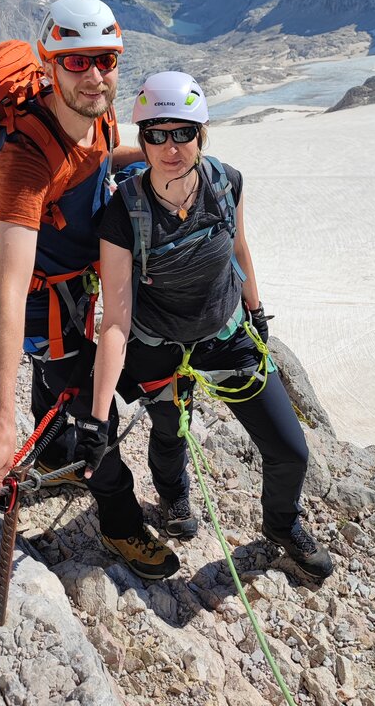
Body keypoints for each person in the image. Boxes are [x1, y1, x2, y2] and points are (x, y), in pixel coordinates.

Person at [79, 71, 334, 581]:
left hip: (226, 336)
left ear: (202, 134)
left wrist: (256, 313)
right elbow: (116, 319)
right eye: (157, 133)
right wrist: (99, 413)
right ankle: (174, 499)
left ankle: (282, 526)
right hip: (158, 348)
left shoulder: (225, 182)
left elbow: (239, 250)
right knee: (170, 432)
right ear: (142, 139)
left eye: (183, 132)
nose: (171, 147)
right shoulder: (123, 214)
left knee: (289, 450)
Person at [0, 0, 179, 581]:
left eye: (105, 60)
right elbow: (8, 290)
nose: (94, 75)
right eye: (77, 62)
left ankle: (54, 448)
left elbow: (103, 156)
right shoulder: (23, 160)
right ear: (49, 62)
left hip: (78, 286)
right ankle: (118, 522)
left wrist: (168, 156)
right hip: (44, 307)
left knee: (72, 389)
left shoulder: (97, 113)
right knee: (95, 415)